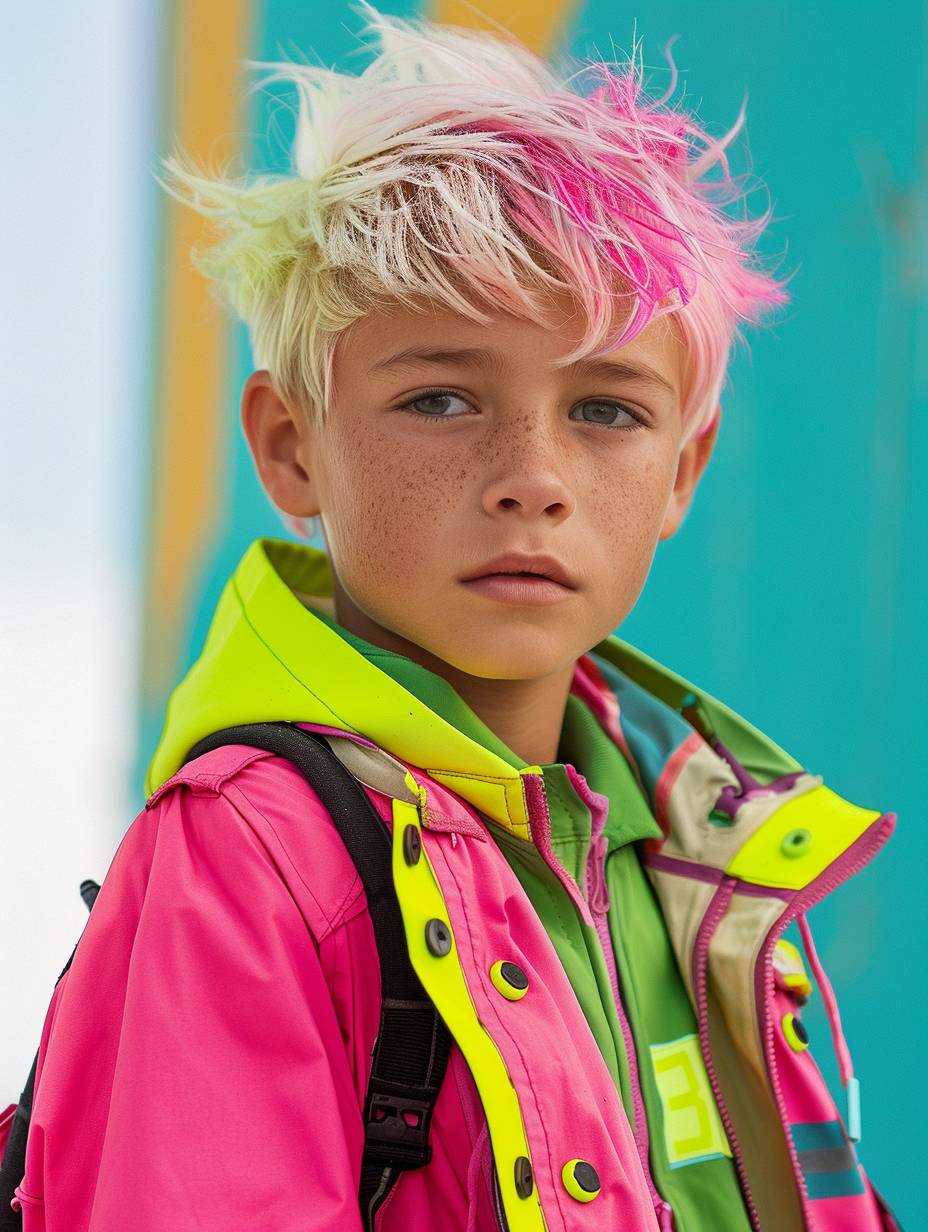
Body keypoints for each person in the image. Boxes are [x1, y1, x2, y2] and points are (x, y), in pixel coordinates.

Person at [10, 5, 901, 1229]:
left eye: (606, 411)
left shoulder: (711, 849)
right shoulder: (248, 852)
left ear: (683, 473)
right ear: (290, 446)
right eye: (438, 396)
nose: (530, 472)